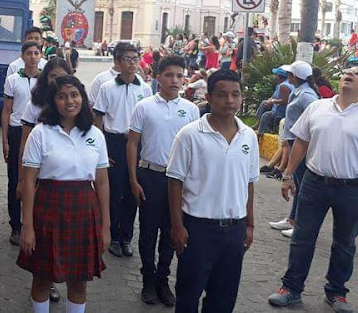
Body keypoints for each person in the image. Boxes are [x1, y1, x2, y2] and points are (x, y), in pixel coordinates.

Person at [266, 65, 358, 312]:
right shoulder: (318, 107)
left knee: (345, 243)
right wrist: (287, 176)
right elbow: (301, 142)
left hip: (351, 189)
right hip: (314, 183)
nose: (349, 73)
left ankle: (337, 292)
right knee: (302, 237)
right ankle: (291, 288)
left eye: (356, 72)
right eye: (347, 70)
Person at [166, 70, 258, 313]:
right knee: (188, 294)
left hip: (234, 230)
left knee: (223, 297)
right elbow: (174, 181)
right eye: (222, 95)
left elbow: (249, 181)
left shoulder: (248, 136)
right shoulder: (190, 135)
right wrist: (177, 226)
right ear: (209, 97)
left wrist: (249, 224)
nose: (229, 101)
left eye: (235, 95)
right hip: (198, 229)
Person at [17, 75, 110, 313]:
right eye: (62, 96)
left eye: (74, 94)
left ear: (83, 97)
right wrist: (27, 226)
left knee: (79, 281)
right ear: (53, 101)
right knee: (42, 278)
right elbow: (28, 181)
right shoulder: (41, 133)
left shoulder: (95, 135)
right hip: (48, 207)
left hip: (83, 210)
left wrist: (105, 227)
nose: (70, 101)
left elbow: (101, 183)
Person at [127, 55, 200, 306]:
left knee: (172, 231)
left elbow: (195, 148)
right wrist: (133, 179)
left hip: (178, 180)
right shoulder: (144, 106)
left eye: (180, 75)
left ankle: (162, 279)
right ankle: (147, 279)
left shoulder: (191, 110)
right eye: (169, 75)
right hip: (150, 175)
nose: (175, 80)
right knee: (148, 231)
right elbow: (133, 143)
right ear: (158, 77)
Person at [14, 56, 73, 304]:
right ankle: (44, 283)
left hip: (64, 179)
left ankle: (59, 276)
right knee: (42, 234)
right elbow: (24, 144)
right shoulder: (34, 106)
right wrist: (20, 179)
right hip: (38, 178)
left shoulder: (74, 105)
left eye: (62, 75)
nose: (57, 80)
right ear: (45, 77)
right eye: (52, 76)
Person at [93, 43, 153, 257]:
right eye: (127, 59)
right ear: (117, 62)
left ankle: (125, 237)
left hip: (136, 143)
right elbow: (98, 118)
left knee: (132, 190)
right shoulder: (107, 87)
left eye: (135, 58)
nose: (132, 63)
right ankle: (112, 235)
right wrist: (102, 150)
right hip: (114, 142)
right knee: (114, 190)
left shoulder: (144, 89)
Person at [267, 61, 319, 238]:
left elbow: (314, 118)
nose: (288, 77)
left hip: (301, 144)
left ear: (294, 77)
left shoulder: (306, 95)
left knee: (303, 186)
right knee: (298, 183)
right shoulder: (298, 92)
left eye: (290, 74)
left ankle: (300, 223)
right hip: (293, 141)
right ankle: (292, 219)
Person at [2, 42, 41, 246]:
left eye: (36, 53)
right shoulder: (13, 79)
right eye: (29, 53)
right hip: (18, 130)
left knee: (36, 180)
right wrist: (5, 139)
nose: (33, 57)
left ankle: (33, 222)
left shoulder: (46, 80)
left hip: (39, 130)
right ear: (23, 56)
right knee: (15, 179)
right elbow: (7, 110)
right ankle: (15, 225)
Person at [255, 66, 293, 141]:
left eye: (275, 75)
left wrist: (272, 101)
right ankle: (258, 124)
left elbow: (285, 101)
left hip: (281, 111)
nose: (274, 76)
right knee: (264, 103)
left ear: (279, 76)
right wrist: (269, 100)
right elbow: (274, 96)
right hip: (275, 107)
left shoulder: (284, 86)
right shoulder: (279, 85)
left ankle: (260, 134)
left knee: (266, 116)